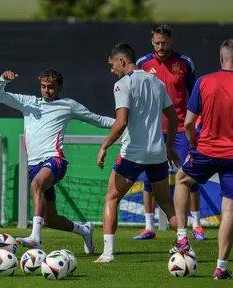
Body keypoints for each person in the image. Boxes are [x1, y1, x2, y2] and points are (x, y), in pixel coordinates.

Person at [0, 69, 116, 253]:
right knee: (50, 219)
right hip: (34, 165)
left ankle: (35, 238)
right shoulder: (28, 102)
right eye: (43, 87)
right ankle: (84, 230)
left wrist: (123, 123)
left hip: (55, 160)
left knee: (37, 183)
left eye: (50, 87)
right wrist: (3, 79)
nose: (46, 91)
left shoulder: (68, 105)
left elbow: (97, 120)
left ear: (59, 87)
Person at [95, 43, 180, 263]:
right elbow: (173, 117)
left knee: (111, 198)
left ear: (122, 61)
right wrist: (170, 146)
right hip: (158, 153)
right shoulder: (157, 82)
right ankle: (184, 243)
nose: (111, 69)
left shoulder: (123, 84)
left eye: (111, 64)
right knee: (167, 203)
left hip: (132, 154)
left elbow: (121, 121)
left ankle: (107, 253)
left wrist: (105, 145)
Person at [134, 24, 206, 241]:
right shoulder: (142, 64)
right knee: (149, 177)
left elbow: (195, 95)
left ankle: (197, 225)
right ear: (151, 42)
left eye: (164, 43)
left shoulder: (185, 63)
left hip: (182, 129)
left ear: (171, 41)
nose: (160, 46)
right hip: (152, 130)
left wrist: (197, 124)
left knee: (189, 174)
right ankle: (149, 227)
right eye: (156, 43)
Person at [172, 39, 233, 280]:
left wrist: (193, 143)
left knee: (181, 180)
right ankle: (220, 267)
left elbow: (188, 123)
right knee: (229, 209)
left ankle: (182, 236)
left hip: (206, 151)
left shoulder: (204, 81)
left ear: (221, 58)